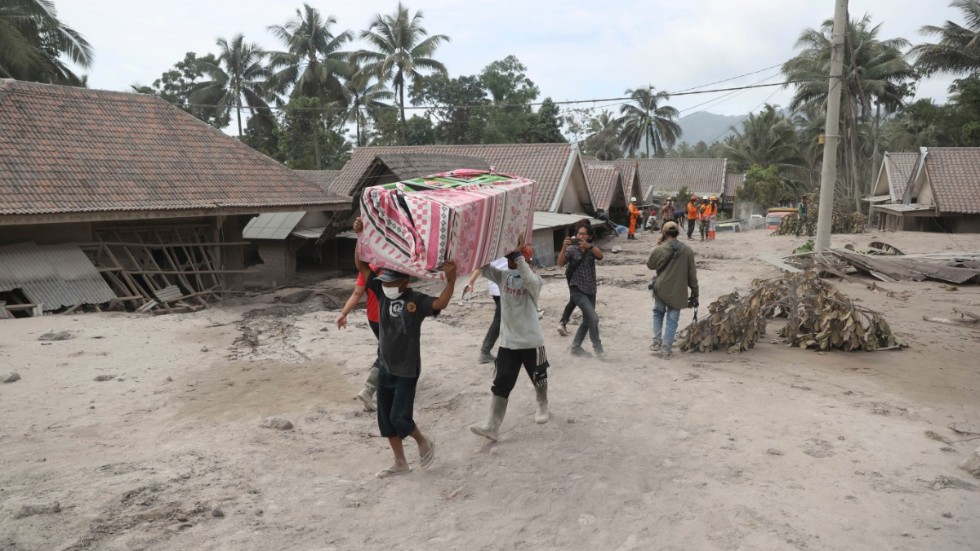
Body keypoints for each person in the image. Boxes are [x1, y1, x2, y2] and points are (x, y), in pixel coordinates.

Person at [353, 218, 457, 478]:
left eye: (391, 282)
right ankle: (400, 462)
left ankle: (423, 442)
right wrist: (360, 235)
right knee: (386, 421)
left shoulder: (416, 301)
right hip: (386, 366)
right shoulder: (379, 288)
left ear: (404, 282)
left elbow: (440, 304)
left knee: (401, 418)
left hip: (407, 370)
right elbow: (361, 265)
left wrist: (451, 281)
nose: (386, 285)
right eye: (384, 282)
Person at [470, 235, 550, 441]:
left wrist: (519, 256)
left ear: (525, 259)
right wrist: (487, 246)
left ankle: (542, 403)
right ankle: (492, 426)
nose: (511, 259)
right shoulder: (503, 276)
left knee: (538, 378)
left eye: (516, 257)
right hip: (508, 342)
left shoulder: (534, 281)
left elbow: (529, 279)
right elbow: (484, 268)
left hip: (532, 341)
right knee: (501, 382)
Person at [646, 221, 699, 358]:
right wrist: (695, 293)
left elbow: (650, 265)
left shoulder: (660, 249)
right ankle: (666, 349)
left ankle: (657, 341)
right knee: (672, 320)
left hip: (661, 289)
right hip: (678, 291)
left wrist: (658, 246)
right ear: (678, 233)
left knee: (658, 313)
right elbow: (692, 275)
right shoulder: (687, 250)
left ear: (664, 233)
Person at [336, 265, 382, 412]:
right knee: (387, 353)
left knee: (388, 350)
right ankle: (369, 389)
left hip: (373, 317)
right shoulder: (394, 265)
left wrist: (344, 313)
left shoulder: (367, 268)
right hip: (390, 318)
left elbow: (357, 293)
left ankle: (386, 384)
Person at [558, 223, 605, 358]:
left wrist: (589, 246)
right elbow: (560, 263)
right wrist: (563, 247)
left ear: (589, 236)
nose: (581, 236)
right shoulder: (572, 249)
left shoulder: (592, 247)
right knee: (593, 318)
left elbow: (601, 256)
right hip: (577, 288)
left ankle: (576, 347)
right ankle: (598, 348)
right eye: (579, 234)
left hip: (591, 289)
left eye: (584, 234)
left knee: (587, 320)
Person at [463, 256, 509, 364]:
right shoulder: (507, 243)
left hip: (498, 287)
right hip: (504, 287)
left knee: (504, 319)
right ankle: (485, 351)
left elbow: (481, 265)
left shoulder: (492, 244)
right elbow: (481, 265)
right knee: (500, 319)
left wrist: (471, 282)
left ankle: (490, 351)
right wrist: (470, 282)